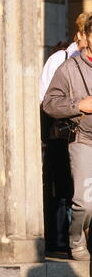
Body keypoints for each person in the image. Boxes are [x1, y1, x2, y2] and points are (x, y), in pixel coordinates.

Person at [43, 15, 92, 260]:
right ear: (87, 36)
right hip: (83, 140)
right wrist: (79, 105)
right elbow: (50, 104)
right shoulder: (68, 67)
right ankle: (76, 242)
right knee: (85, 203)